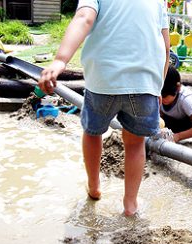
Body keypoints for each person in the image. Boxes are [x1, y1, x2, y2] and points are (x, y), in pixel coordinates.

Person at [38, 0, 170, 216]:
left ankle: (94, 187)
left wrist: (60, 60)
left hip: (102, 82)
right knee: (136, 144)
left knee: (92, 133)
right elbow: (165, 47)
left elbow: (84, 18)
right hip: (145, 84)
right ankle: (130, 204)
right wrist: (158, 87)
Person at [160, 65, 192, 145]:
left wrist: (178, 137)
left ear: (178, 88)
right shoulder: (157, 96)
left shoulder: (186, 98)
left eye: (165, 96)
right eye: (160, 95)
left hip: (187, 124)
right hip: (168, 125)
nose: (162, 99)